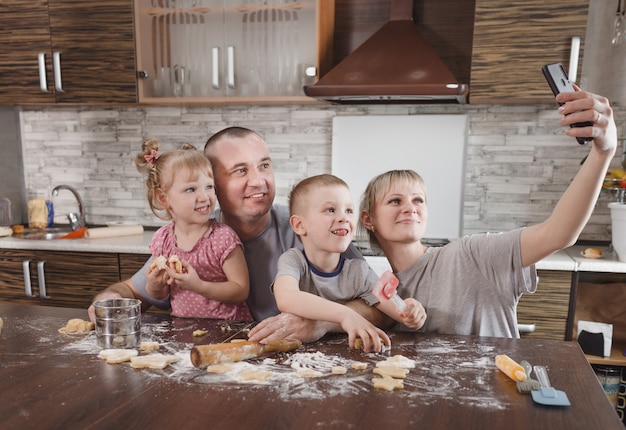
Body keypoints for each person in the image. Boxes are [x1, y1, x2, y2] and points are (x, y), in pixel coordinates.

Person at [89, 127, 389, 348]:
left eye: (265, 166)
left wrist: (319, 323)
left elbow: (377, 307)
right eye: (240, 171)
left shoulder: (311, 227)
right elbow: (131, 292)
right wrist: (108, 299)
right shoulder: (192, 235)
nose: (258, 181)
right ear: (212, 184)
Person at [358, 89, 617, 338]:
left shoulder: (471, 256)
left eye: (418, 200)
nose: (410, 207)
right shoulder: (381, 291)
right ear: (368, 219)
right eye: (395, 200)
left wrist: (603, 153)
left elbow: (558, 234)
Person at [273, 174, 426, 351]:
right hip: (298, 356)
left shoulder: (359, 271)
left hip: (346, 358)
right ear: (299, 225)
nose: (343, 218)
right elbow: (286, 298)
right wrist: (345, 315)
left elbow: (397, 310)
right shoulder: (293, 261)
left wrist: (410, 311)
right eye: (330, 210)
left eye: (349, 210)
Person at [135, 138, 251, 320]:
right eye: (191, 189)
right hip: (183, 330)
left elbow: (240, 289)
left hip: (228, 331)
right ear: (163, 198)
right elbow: (160, 294)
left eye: (209, 187)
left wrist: (198, 285)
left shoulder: (222, 238)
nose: (204, 196)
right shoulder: (163, 239)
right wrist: (154, 285)